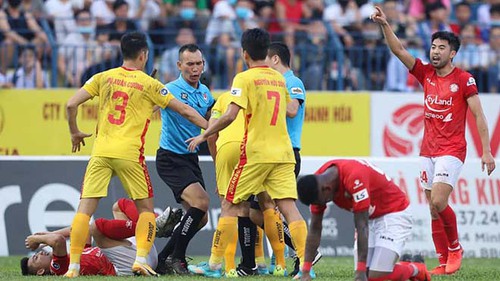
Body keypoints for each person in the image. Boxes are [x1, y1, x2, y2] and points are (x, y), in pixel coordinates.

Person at [64, 31, 208, 278]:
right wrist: (211, 128)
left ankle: (73, 267)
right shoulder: (150, 84)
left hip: (101, 152)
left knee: (84, 211)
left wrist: (75, 132)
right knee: (145, 211)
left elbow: (71, 104)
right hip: (130, 154)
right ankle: (141, 260)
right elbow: (184, 111)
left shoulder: (103, 77)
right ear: (144, 55)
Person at [372, 6, 496, 275]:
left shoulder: (464, 80)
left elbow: (479, 115)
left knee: (439, 202)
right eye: (433, 47)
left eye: (441, 48)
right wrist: (385, 25)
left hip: (452, 150)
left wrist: (486, 151)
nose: (435, 51)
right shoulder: (425, 73)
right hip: (427, 149)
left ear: (452, 53)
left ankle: (454, 248)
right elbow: (399, 51)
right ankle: (442, 260)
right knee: (432, 208)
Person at [186, 28, 308, 279]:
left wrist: (204, 135)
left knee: (231, 205)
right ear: (267, 52)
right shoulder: (278, 78)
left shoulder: (244, 78)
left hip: (257, 153)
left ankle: (216, 264)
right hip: (284, 152)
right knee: (287, 208)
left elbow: (230, 115)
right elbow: (293, 111)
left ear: (244, 53)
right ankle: (305, 266)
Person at [297, 159, 431, 281]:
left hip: (393, 213)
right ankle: (404, 266)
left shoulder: (354, 178)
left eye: (323, 201)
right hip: (371, 217)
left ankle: (416, 269)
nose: (322, 204)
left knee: (372, 276)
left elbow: (362, 226)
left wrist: (360, 272)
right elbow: (315, 229)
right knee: (370, 274)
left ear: (326, 189)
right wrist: (306, 271)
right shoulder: (317, 184)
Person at [247, 41, 314, 277]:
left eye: (264, 59)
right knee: (257, 212)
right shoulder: (273, 82)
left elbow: (293, 109)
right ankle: (302, 250)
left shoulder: (292, 82)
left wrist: (268, 99)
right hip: (270, 151)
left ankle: (305, 253)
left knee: (281, 208)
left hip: (287, 152)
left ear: (274, 59)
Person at [155, 43, 214, 275]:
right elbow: (187, 112)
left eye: (199, 63)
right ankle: (177, 259)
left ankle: (163, 259)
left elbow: (211, 113)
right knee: (201, 202)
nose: (195, 68)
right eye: (190, 64)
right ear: (179, 65)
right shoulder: (170, 89)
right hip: (170, 158)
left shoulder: (205, 92)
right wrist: (211, 127)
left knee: (200, 219)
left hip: (190, 158)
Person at [20, 198, 182, 276]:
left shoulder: (75, 258)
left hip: (140, 253)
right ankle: (151, 227)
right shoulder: (59, 269)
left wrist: (46, 234)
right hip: (127, 266)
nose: (40, 253)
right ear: (41, 271)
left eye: (36, 254)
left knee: (120, 206)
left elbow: (78, 230)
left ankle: (152, 225)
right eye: (36, 258)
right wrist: (39, 240)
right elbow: (58, 241)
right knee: (97, 227)